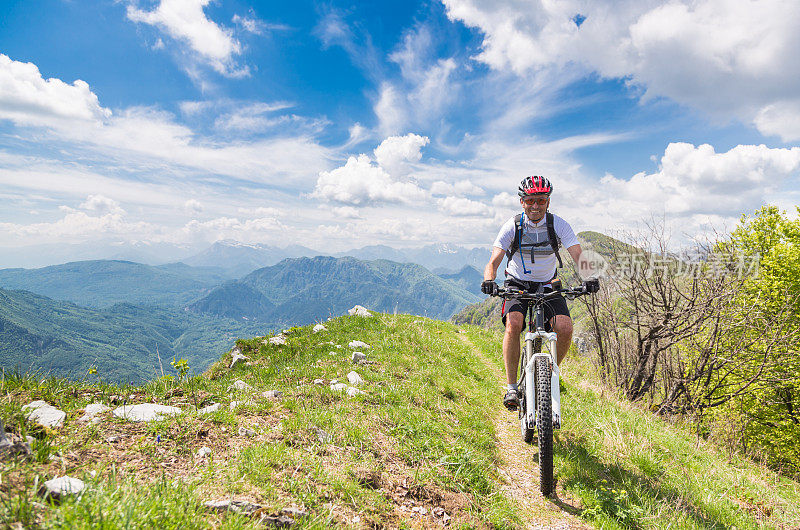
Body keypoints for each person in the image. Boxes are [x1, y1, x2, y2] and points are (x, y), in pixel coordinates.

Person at [481, 175, 599, 411]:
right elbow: (494, 261)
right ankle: (512, 386)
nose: (536, 206)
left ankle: (550, 374)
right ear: (522, 201)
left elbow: (578, 255)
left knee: (564, 328)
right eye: (530, 200)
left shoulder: (559, 225)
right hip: (516, 282)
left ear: (548, 201)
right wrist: (489, 280)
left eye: (541, 200)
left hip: (548, 283)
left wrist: (591, 277)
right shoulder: (512, 226)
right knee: (514, 325)